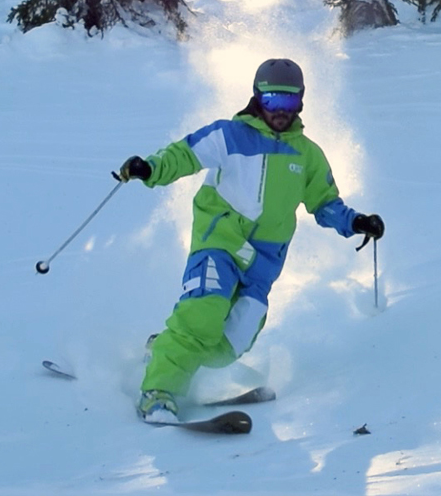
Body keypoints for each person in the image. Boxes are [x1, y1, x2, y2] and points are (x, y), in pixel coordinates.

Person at [113, 58, 384, 422]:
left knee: (232, 342)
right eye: (272, 100)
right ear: (257, 97)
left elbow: (324, 203)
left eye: (289, 101)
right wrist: (150, 168)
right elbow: (185, 154)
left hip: (263, 264)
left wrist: (356, 222)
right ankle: (159, 390)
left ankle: (165, 347)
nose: (280, 111)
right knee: (203, 314)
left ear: (301, 101)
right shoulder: (230, 135)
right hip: (220, 243)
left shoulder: (307, 155)